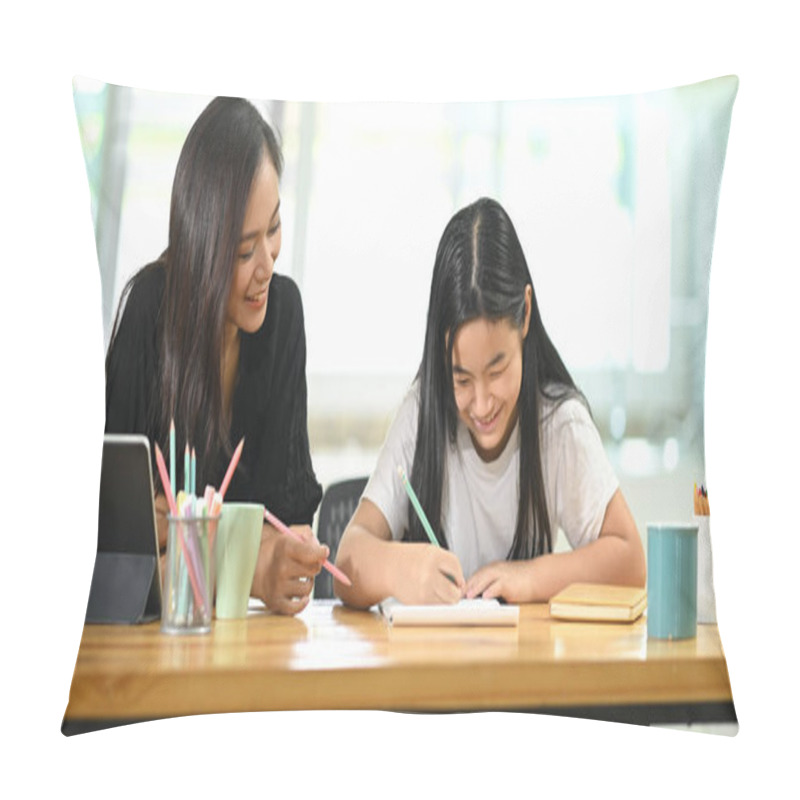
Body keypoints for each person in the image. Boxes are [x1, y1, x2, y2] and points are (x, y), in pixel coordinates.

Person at [334, 197, 645, 608]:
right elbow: (347, 561)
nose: (481, 405)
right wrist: (398, 568)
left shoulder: (558, 424)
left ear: (526, 314)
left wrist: (531, 578)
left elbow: (630, 561)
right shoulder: (423, 412)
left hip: (520, 668)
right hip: (428, 667)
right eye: (461, 378)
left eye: (497, 371)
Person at [105, 97, 328, 615]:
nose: (267, 265)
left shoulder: (284, 315)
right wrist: (249, 564)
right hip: (146, 647)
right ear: (202, 247)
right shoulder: (148, 312)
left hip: (244, 645)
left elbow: (286, 516)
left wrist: (290, 556)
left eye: (273, 230)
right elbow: (114, 545)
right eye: (242, 250)